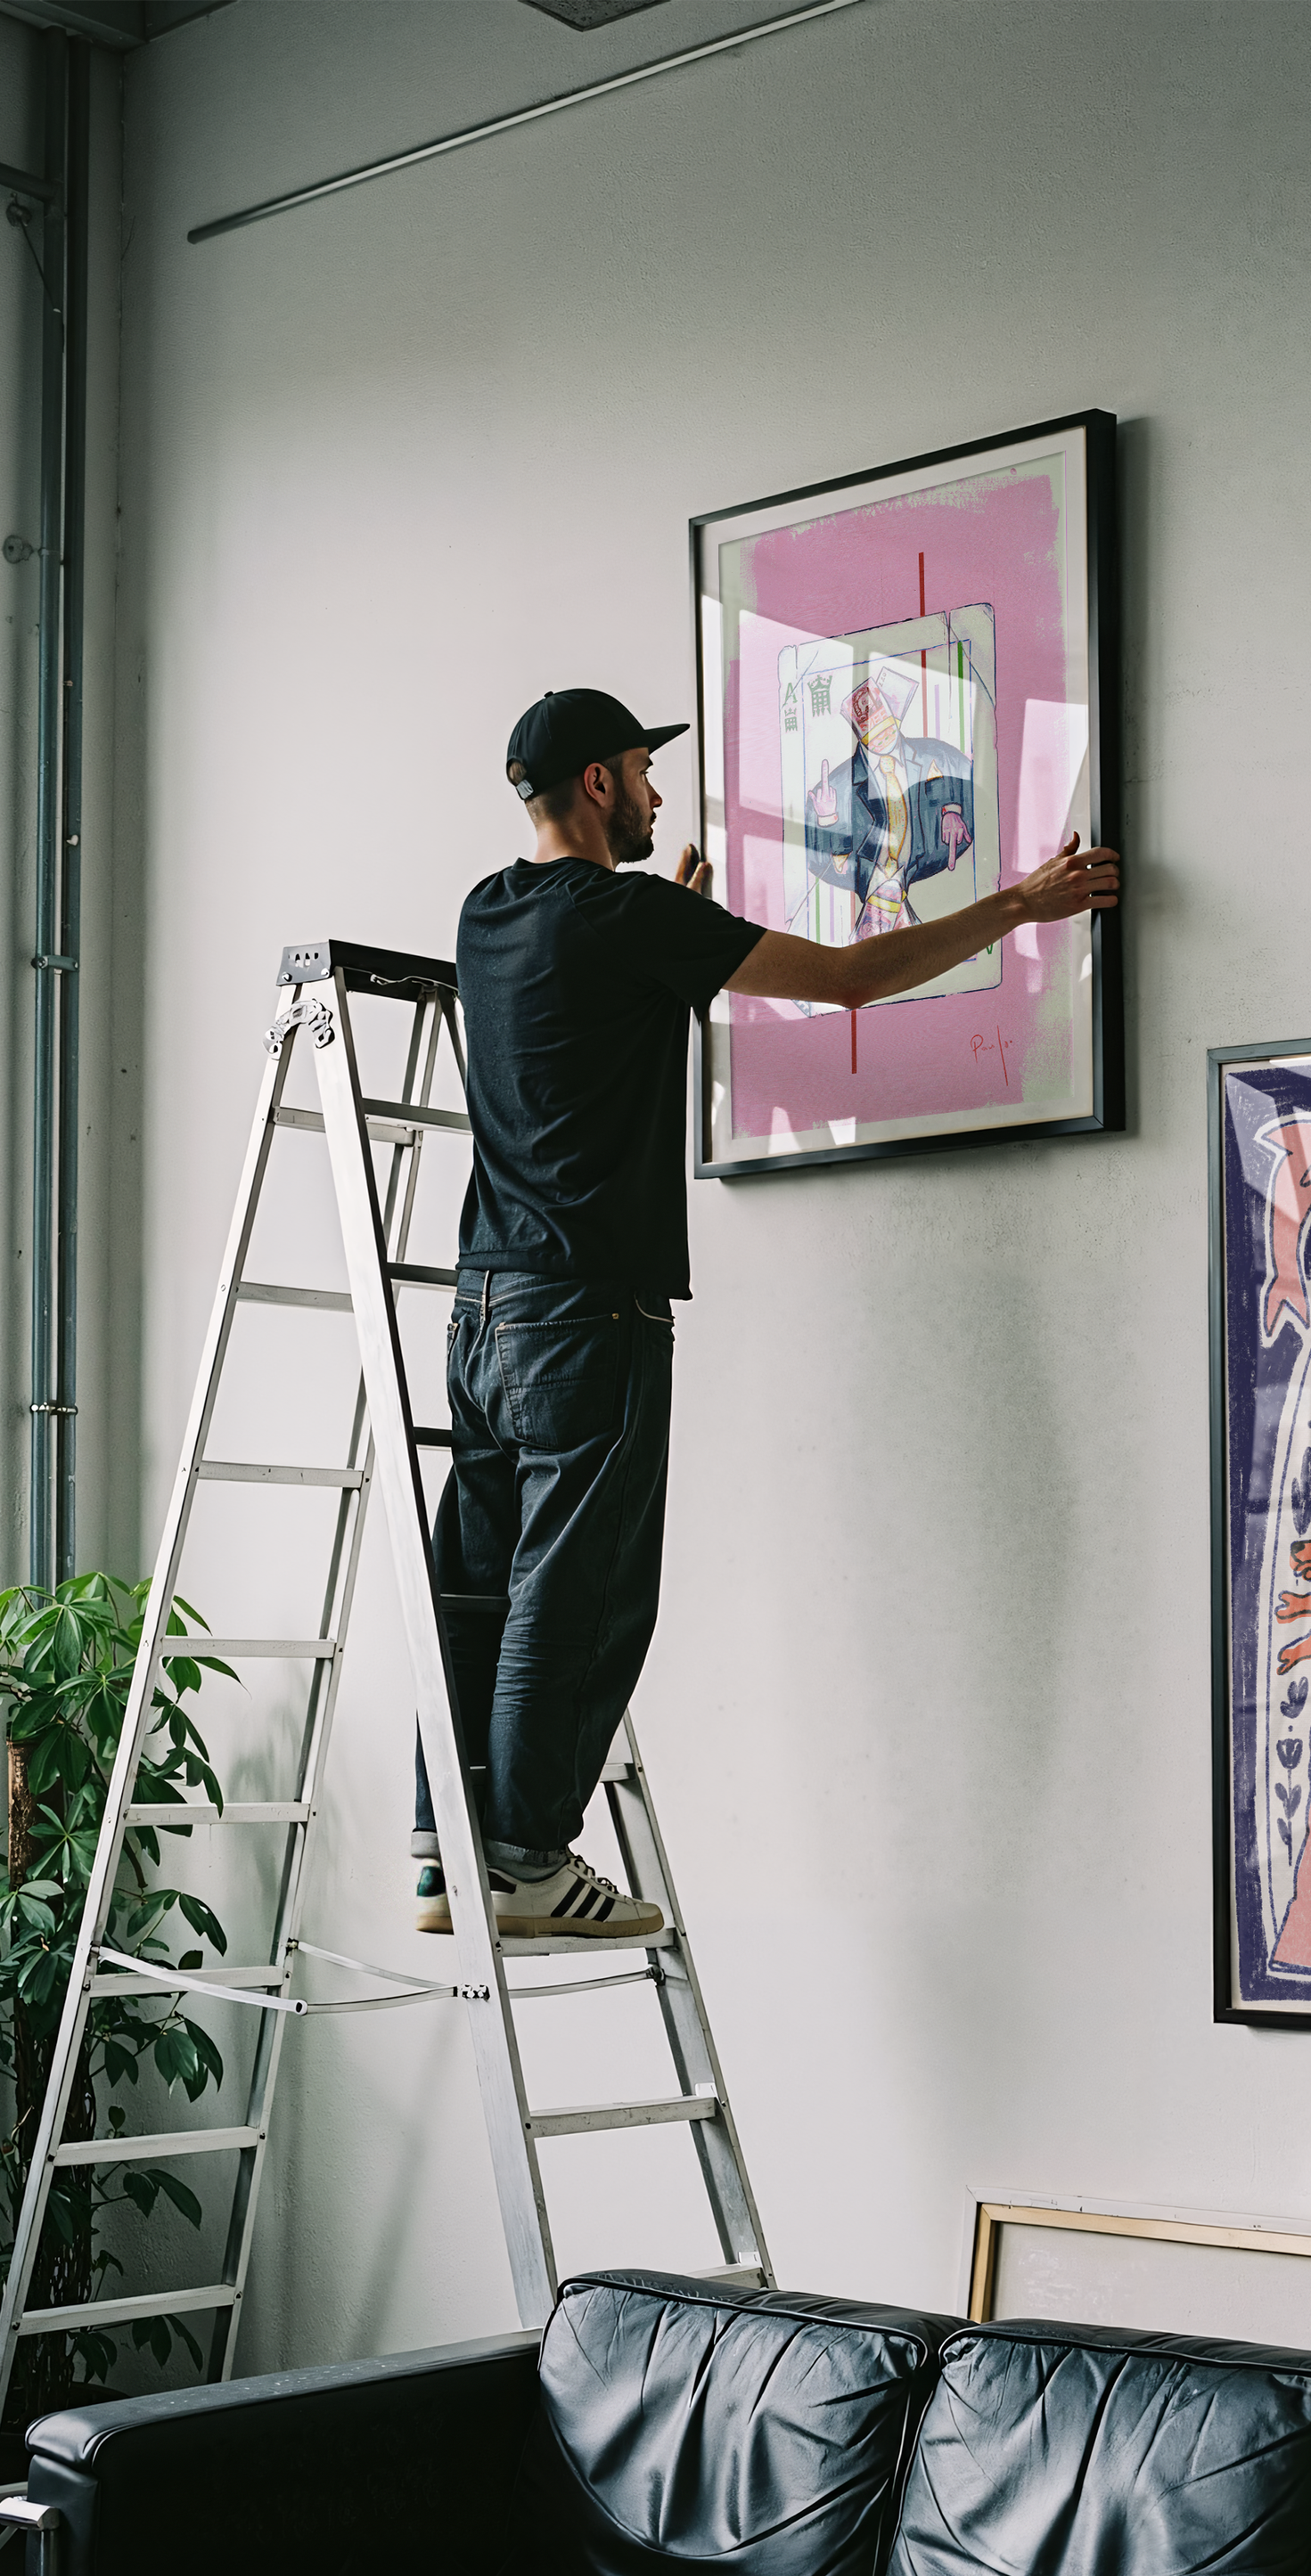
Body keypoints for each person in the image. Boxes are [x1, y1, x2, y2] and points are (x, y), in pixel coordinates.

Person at [414, 683, 1120, 1939]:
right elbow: (848, 979)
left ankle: (441, 1853)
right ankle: (522, 1859)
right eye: (642, 771)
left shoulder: (488, 912)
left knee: (475, 1583)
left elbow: (591, 1019)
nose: (657, 792)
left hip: (483, 1309)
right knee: (576, 1593)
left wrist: (675, 933)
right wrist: (1021, 904)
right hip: (587, 1314)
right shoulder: (631, 918)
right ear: (597, 784)